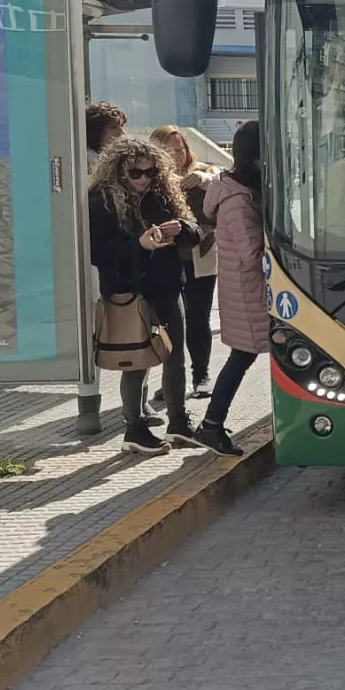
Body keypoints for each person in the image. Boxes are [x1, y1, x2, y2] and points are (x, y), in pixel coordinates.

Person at [88, 138, 202, 455]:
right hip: (129, 292)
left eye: (150, 172)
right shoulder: (100, 201)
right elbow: (97, 251)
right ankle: (134, 428)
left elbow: (194, 231)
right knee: (136, 361)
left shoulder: (161, 193)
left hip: (166, 285)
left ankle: (178, 422)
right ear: (119, 171)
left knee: (175, 356)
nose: (143, 179)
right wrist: (140, 244)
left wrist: (183, 228)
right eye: (135, 173)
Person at [193, 122, 266, 457]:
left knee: (242, 358)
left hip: (246, 292)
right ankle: (211, 425)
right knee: (241, 358)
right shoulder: (237, 200)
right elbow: (251, 254)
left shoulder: (240, 190)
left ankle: (211, 423)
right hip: (248, 294)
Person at [151, 125, 221, 399]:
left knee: (198, 318)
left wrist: (202, 178)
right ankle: (173, 379)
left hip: (201, 255)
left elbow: (221, 182)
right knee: (168, 320)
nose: (177, 155)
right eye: (169, 151)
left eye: (180, 149)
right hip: (167, 257)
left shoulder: (204, 170)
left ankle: (201, 374)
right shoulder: (154, 178)